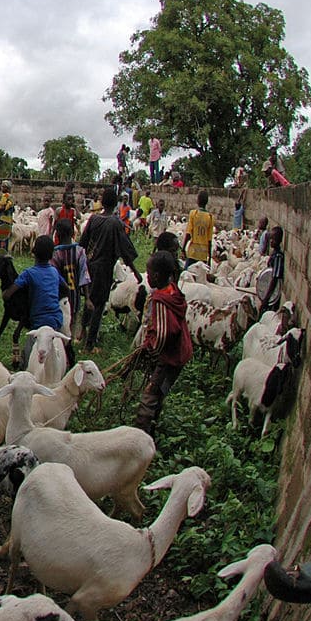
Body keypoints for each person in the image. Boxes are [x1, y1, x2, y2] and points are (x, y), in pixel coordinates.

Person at [132, 251, 192, 438]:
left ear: (157, 276)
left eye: (149, 273)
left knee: (150, 394)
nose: (147, 277)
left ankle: (141, 435)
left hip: (169, 356)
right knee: (159, 390)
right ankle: (153, 425)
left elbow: (164, 332)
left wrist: (152, 351)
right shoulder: (173, 291)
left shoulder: (160, 300)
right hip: (180, 352)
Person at [80, 187, 140, 352]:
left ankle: (82, 332)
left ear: (102, 202)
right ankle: (90, 343)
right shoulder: (115, 223)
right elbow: (125, 250)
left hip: (90, 265)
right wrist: (135, 272)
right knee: (99, 304)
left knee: (89, 299)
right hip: (104, 268)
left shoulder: (93, 219)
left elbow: (82, 244)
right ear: (115, 204)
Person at [3, 235, 65, 368]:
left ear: (33, 252)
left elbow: (8, 294)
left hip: (38, 323)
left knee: (29, 360)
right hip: (56, 321)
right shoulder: (54, 272)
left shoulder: (29, 273)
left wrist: (5, 293)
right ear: (52, 255)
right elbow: (65, 288)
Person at [52, 219, 90, 343]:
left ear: (57, 234)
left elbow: (54, 277)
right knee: (72, 321)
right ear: (73, 233)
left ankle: (62, 346)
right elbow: (84, 275)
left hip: (59, 298)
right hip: (75, 296)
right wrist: (87, 298)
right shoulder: (80, 251)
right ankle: (70, 344)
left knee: (60, 323)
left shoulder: (55, 254)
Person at [183, 191, 215, 266]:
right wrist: (209, 257)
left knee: (187, 271)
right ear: (206, 202)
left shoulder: (193, 214)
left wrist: (183, 248)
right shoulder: (210, 217)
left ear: (198, 201)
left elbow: (188, 234)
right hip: (203, 254)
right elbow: (209, 239)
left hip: (193, 251)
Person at [260, 226, 285, 312]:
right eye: (271, 238)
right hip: (269, 290)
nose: (271, 241)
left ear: (279, 240)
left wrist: (266, 299)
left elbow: (275, 278)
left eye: (274, 239)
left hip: (273, 294)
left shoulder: (278, 256)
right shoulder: (274, 253)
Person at [0, 180, 14, 254]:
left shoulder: (6, 195)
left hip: (3, 220)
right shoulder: (11, 197)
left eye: (4, 187)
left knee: (0, 237)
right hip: (8, 220)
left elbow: (3, 207)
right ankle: (4, 252)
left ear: (7, 188)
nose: (2, 188)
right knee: (5, 237)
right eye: (2, 187)